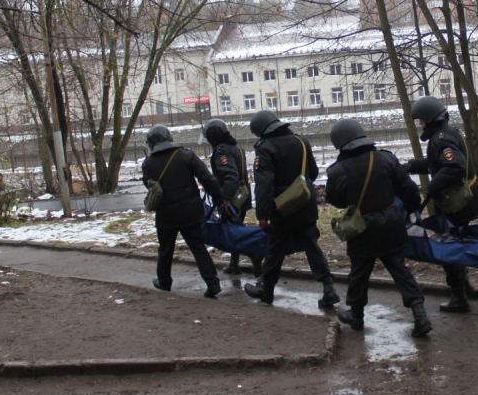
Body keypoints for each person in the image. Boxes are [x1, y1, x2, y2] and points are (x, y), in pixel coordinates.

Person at [325, 119, 432, 337]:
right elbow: (409, 191)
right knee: (400, 271)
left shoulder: (338, 171)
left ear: (340, 143)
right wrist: (410, 211)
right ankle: (420, 315)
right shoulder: (387, 159)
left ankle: (356, 316)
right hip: (392, 225)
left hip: (362, 229)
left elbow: (337, 202)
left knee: (359, 273)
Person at [242, 110, 341, 308]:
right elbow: (312, 172)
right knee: (311, 246)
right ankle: (328, 287)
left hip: (283, 208)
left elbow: (264, 185)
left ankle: (266, 289)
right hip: (306, 203)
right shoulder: (301, 141)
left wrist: (263, 215)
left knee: (276, 249)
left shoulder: (265, 147)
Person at [405, 96, 478, 313]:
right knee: (457, 241)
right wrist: (411, 166)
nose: (420, 124)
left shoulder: (441, 139)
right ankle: (465, 285)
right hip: (464, 199)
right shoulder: (448, 133)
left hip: (456, 203)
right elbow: (437, 164)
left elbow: (454, 166)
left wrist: (431, 189)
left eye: (421, 120)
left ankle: (459, 297)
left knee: (448, 247)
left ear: (429, 119)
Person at [140, 126, 226, 299]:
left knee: (165, 249)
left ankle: (164, 282)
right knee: (198, 247)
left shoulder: (148, 163)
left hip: (165, 215)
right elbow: (208, 179)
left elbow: (149, 186)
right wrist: (218, 200)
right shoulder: (187, 155)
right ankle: (212, 283)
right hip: (191, 212)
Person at [202, 118, 261, 277]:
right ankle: (234, 265)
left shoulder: (221, 150)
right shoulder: (236, 147)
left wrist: (225, 198)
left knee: (233, 233)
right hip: (242, 197)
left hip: (232, 200)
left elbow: (231, 175)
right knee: (235, 231)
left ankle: (254, 255)